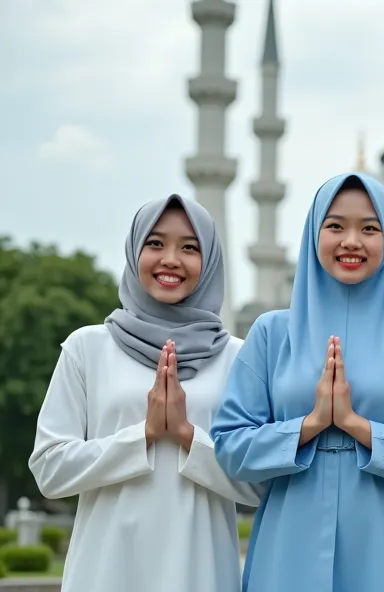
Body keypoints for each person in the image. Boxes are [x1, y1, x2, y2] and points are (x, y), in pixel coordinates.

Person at [210, 172, 384, 592]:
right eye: (335, 226)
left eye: (369, 228)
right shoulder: (273, 334)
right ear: (314, 234)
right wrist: (310, 424)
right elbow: (230, 448)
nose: (352, 240)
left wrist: (356, 425)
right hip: (289, 543)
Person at [28, 195, 260, 592]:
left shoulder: (238, 357)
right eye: (155, 243)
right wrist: (144, 435)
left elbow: (260, 487)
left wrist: (188, 435)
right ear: (134, 250)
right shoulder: (88, 348)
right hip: (105, 571)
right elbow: (50, 469)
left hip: (200, 571)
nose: (171, 258)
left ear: (210, 261)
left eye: (189, 247)